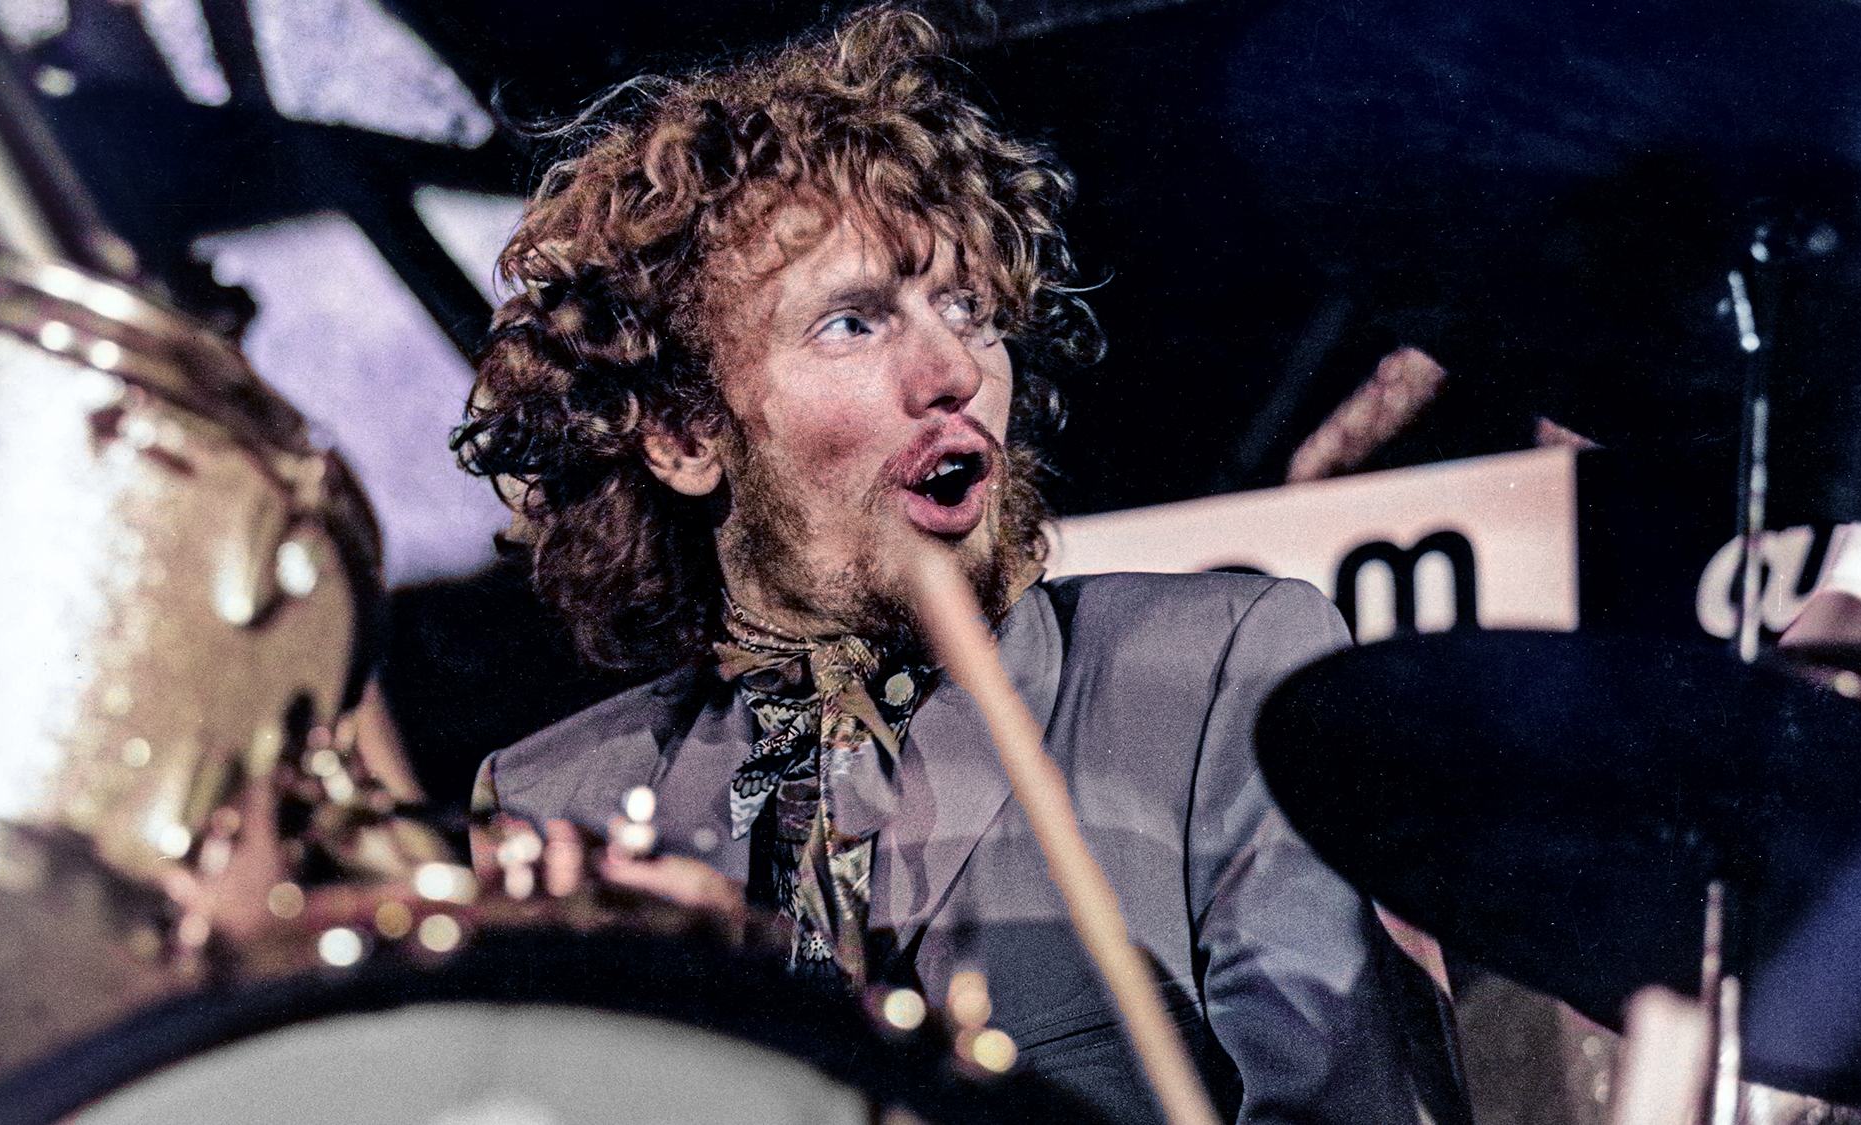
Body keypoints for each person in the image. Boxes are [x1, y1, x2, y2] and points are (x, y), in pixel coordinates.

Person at [456, 8, 1459, 1123]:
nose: (950, 371)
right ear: (686, 436)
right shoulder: (556, 808)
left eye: (966, 309)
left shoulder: (1215, 674)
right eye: (850, 324)